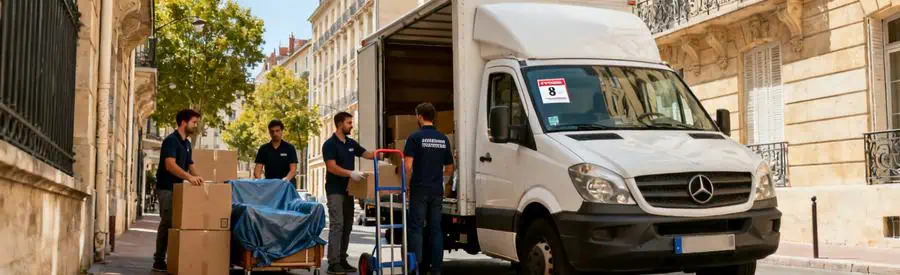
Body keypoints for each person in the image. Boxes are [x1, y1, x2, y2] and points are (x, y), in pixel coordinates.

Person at [323, 112, 378, 274]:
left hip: (349, 191)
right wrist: (350, 173)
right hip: (335, 190)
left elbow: (367, 154)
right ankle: (333, 263)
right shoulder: (330, 144)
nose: (351, 125)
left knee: (347, 226)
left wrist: (383, 153)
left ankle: (342, 259)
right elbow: (331, 167)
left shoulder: (351, 143)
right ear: (340, 124)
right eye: (349, 123)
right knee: (337, 225)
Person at [403, 102, 454, 275]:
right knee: (436, 229)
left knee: (416, 228)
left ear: (419, 116)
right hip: (436, 190)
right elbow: (449, 167)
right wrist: (442, 182)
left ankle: (416, 267)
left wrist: (407, 185)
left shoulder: (414, 138)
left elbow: (408, 166)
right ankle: (437, 269)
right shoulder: (443, 138)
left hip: (419, 188)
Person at [152, 109, 204, 272]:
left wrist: (203, 180)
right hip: (166, 188)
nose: (196, 125)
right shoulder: (171, 141)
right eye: (194, 122)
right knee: (167, 222)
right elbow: (170, 165)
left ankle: (174, 258)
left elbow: (190, 164)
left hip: (180, 189)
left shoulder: (187, 143)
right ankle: (159, 260)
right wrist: (189, 178)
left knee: (177, 224)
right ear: (184, 122)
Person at [254, 120, 299, 186]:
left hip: (287, 184)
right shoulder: (263, 149)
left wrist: (285, 180)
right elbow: (257, 170)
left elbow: (293, 169)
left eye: (277, 131)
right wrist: (260, 184)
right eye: (272, 131)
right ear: (269, 132)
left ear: (281, 131)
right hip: (270, 185)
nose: (274, 134)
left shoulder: (289, 148)